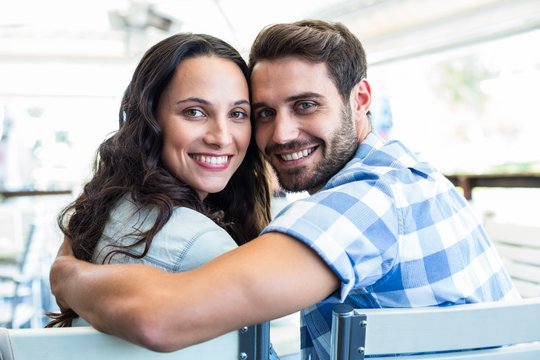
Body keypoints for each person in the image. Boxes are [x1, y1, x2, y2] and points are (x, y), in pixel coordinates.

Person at [50, 20, 520, 359]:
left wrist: (65, 273)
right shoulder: (407, 174)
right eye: (264, 113)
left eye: (305, 105)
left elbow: (159, 317)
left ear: (360, 100)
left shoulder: (364, 205)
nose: (280, 135)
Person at [46, 33, 272, 328]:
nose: (221, 137)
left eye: (237, 113)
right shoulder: (203, 245)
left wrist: (64, 277)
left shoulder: (116, 202)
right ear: (151, 118)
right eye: (194, 112)